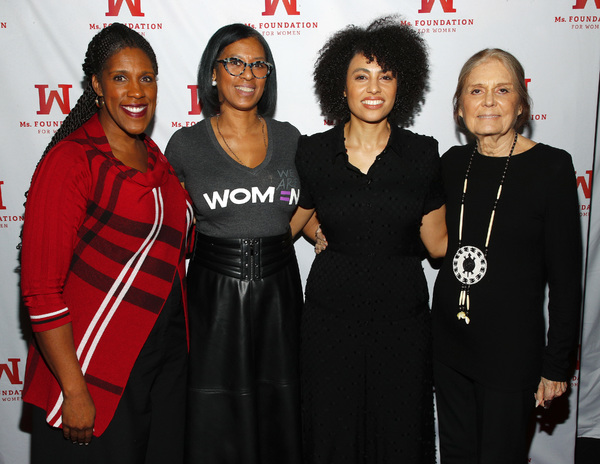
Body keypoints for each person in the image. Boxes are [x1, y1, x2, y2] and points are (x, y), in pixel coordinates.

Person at [20, 23, 193, 464]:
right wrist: (74, 390)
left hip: (163, 368)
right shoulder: (71, 162)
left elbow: (182, 245)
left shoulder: (159, 162)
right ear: (97, 85)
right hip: (94, 371)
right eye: (120, 77)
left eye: (146, 78)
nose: (136, 91)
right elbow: (40, 292)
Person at [290, 17, 447, 464]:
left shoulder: (422, 153)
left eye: (386, 76)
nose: (373, 87)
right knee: (330, 427)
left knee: (399, 428)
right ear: (342, 86)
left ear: (403, 86)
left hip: (402, 318)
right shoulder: (313, 151)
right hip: (329, 318)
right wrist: (316, 228)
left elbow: (437, 244)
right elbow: (293, 216)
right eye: (361, 75)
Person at [432, 48, 582, 464]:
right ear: (460, 107)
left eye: (503, 89)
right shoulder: (451, 163)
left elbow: (568, 278)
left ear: (521, 104)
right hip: (449, 346)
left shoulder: (551, 167)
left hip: (511, 354)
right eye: (476, 90)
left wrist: (556, 365)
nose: (489, 101)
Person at [164, 23, 304, 464]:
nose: (247, 74)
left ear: (268, 75)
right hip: (214, 295)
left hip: (280, 290)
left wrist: (314, 234)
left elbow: (308, 206)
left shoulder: (290, 139)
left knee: (281, 408)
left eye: (258, 64)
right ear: (213, 73)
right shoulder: (185, 145)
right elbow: (164, 224)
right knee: (216, 412)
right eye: (235, 63)